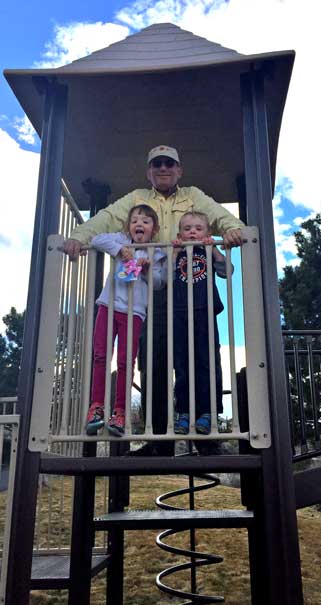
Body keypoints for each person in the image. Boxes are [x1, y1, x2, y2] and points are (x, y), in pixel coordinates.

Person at [63, 145, 244, 455]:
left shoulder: (193, 196)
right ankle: (158, 438)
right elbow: (105, 220)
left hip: (194, 286)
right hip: (155, 288)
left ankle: (208, 436)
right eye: (157, 164)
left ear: (179, 170)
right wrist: (79, 237)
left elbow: (222, 218)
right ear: (148, 171)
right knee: (153, 359)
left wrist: (234, 231)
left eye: (169, 164)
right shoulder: (137, 200)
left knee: (203, 358)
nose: (163, 168)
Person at [86, 204, 166, 437]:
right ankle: (96, 406)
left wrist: (148, 269)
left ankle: (119, 411)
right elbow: (97, 239)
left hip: (134, 312)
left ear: (154, 228)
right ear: (128, 227)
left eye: (145, 221)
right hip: (108, 305)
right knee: (100, 355)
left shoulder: (156, 251)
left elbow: (160, 282)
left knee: (125, 361)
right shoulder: (121, 239)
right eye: (135, 221)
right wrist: (121, 250)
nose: (139, 224)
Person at [172, 211, 232, 436]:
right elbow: (165, 277)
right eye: (187, 229)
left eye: (198, 228)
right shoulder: (176, 253)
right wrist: (174, 251)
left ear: (207, 233)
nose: (192, 232)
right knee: (182, 363)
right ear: (180, 233)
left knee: (207, 361)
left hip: (205, 312)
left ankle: (208, 412)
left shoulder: (207, 251)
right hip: (180, 312)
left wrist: (214, 249)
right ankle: (185, 412)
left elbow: (227, 272)